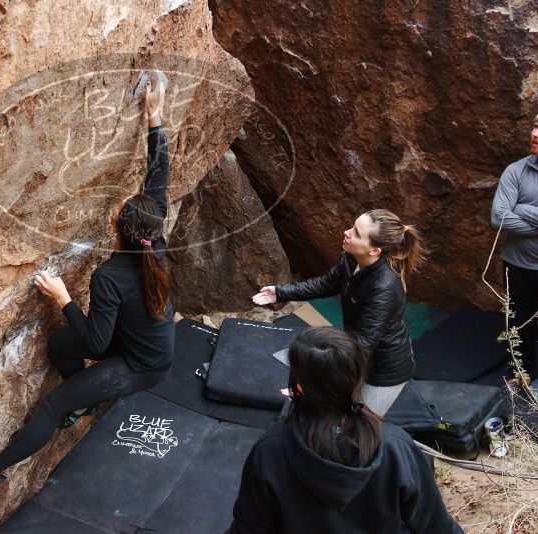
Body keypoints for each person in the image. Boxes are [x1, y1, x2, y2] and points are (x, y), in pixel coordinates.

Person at [0, 75, 174, 485]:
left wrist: (63, 298)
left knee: (55, 406)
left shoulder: (110, 276)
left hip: (142, 365)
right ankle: (86, 397)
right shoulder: (152, 237)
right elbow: (158, 175)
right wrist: (154, 117)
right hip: (138, 338)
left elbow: (96, 344)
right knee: (58, 345)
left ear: (117, 228)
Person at [227, 327, 462, 534]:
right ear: (358, 378)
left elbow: (249, 528)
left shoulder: (271, 450)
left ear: (299, 388)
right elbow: (435, 526)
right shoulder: (394, 445)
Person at [252, 209, 424, 416]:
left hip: (383, 370)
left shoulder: (384, 288)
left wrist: (315, 388)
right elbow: (326, 284)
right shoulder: (352, 259)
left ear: (374, 251)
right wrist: (281, 292)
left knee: (359, 423)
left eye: (357, 233)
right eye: (353, 226)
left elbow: (361, 348)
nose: (347, 232)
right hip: (356, 346)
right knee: (301, 365)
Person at [491, 114, 538, 390]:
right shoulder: (515, 171)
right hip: (518, 265)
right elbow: (498, 218)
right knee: (519, 321)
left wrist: (521, 209)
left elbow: (509, 213)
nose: (535, 134)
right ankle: (524, 372)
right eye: (535, 126)